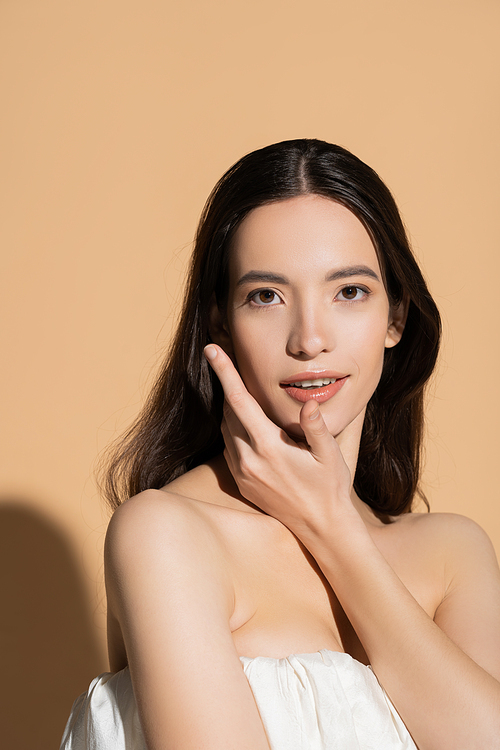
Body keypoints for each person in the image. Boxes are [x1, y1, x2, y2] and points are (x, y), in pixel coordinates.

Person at [60, 139, 500, 750]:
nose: (310, 339)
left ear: (396, 316)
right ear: (220, 320)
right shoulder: (168, 534)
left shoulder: (452, 554)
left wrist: (332, 526)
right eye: (266, 296)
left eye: (349, 291)